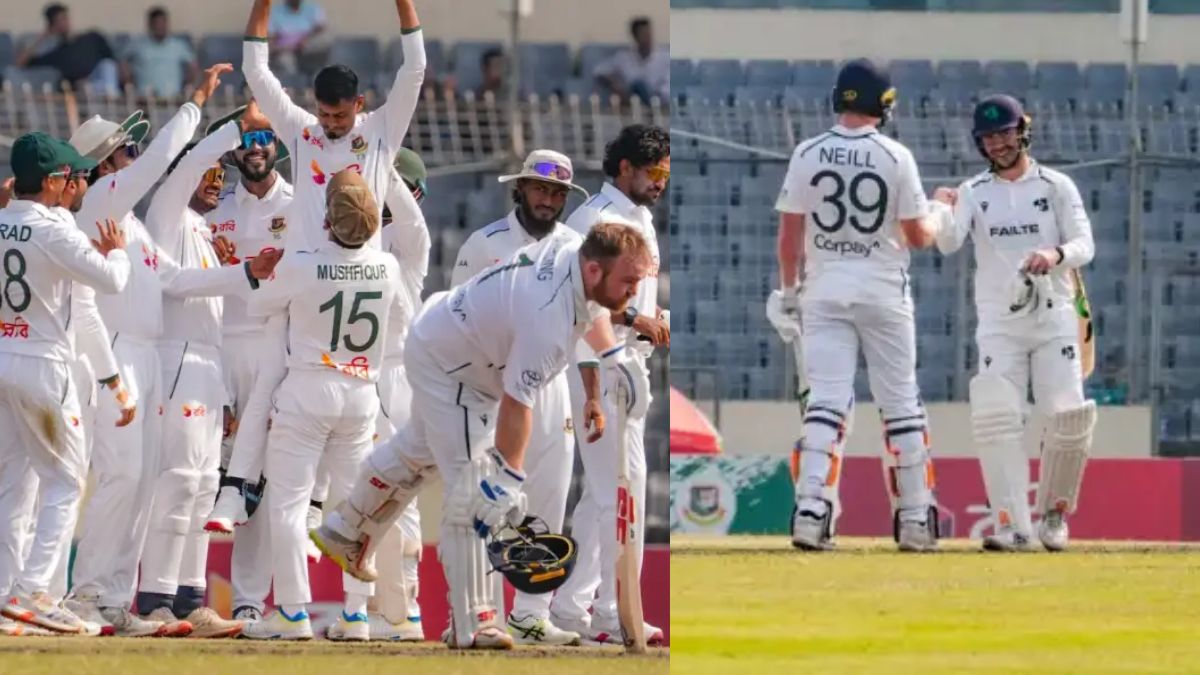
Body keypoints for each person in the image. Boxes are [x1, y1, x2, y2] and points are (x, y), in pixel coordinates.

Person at [311, 221, 652, 650]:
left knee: (419, 452)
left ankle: (346, 528)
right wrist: (507, 479)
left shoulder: (574, 247)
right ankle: (475, 622)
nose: (633, 295)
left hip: (449, 339)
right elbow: (517, 405)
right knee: (474, 496)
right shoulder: (546, 319)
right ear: (594, 272)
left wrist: (613, 355)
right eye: (629, 282)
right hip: (453, 367)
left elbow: (597, 311)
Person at [63, 64, 236, 637]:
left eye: (134, 145)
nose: (136, 154)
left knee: (138, 479)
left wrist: (250, 277)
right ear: (106, 162)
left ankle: (114, 598)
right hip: (112, 351)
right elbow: (166, 158)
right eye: (127, 147)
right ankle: (88, 594)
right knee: (119, 477)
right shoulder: (101, 203)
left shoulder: (129, 224)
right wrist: (197, 106)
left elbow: (177, 280)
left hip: (143, 353)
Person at [768, 59, 942, 553]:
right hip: (884, 292)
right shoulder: (895, 156)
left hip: (824, 292)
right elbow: (916, 235)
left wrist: (788, 293)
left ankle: (810, 511)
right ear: (883, 104)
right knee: (901, 404)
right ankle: (913, 520)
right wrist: (939, 215)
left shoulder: (807, 152)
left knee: (826, 403)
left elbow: (789, 237)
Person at [131, 101, 282, 638]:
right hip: (178, 359)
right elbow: (173, 283)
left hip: (208, 361)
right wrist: (235, 126)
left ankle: (191, 598)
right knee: (178, 481)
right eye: (209, 173)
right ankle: (153, 600)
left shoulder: (199, 226)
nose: (217, 182)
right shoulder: (167, 215)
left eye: (223, 175)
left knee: (203, 484)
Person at [240, 171, 404, 641]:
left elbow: (259, 305)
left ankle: (292, 612)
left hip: (310, 388)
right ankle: (355, 615)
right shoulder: (387, 268)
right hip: (361, 395)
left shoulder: (303, 264)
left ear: (329, 222)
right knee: (358, 508)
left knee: (289, 505)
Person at [930, 95, 1096, 553]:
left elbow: (1085, 243)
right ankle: (1012, 526)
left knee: (1065, 414)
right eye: (988, 137)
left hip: (1054, 316)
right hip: (1000, 323)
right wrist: (941, 207)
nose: (998, 144)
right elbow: (946, 243)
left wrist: (1055, 255)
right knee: (996, 415)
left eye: (1005, 133)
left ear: (1023, 129)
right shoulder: (973, 192)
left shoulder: (1056, 186)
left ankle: (1055, 516)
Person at [451, 150, 588, 646]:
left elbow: (590, 323)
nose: (548, 200)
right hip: (492, 386)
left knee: (550, 493)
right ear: (521, 189)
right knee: (486, 500)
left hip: (553, 384)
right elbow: (456, 316)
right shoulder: (483, 243)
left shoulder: (578, 247)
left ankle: (531, 613)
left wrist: (590, 391)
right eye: (540, 190)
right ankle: (478, 611)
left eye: (557, 194)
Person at [0, 132, 129, 634]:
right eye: (71, 176)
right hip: (43, 366)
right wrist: (117, 252)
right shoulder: (56, 232)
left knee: (13, 485)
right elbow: (111, 281)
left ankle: (8, 592)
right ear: (51, 182)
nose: (78, 183)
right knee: (65, 481)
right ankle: (34, 591)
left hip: (6, 355)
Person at [547, 125, 668, 646]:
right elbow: (580, 299)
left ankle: (576, 606)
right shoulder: (594, 219)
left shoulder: (638, 216)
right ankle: (616, 611)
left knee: (602, 493)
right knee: (623, 490)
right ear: (624, 168)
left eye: (665, 173)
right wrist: (635, 320)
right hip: (596, 361)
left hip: (627, 361)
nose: (661, 182)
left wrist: (649, 317)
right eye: (654, 172)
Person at [327, 148, 430, 642]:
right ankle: (384, 613)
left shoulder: (404, 246)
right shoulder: (359, 240)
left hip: (384, 377)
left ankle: (384, 613)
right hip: (366, 377)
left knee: (380, 493)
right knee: (366, 493)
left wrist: (378, 162)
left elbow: (409, 217)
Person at [201, 106, 295, 626]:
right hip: (218, 349)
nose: (254, 147)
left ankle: (247, 601)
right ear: (232, 149)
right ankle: (182, 589)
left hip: (274, 350)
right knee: (205, 473)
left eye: (264, 137)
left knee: (261, 480)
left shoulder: (301, 205)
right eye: (245, 139)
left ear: (276, 144)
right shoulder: (215, 208)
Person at [243, 0, 424, 256]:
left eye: (340, 115)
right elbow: (255, 70)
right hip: (308, 273)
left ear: (358, 103)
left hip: (362, 269)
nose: (330, 123)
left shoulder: (381, 129)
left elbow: (415, 69)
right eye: (324, 114)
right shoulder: (301, 131)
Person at [16, 3, 119, 93]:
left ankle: (111, 99)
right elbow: (20, 63)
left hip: (99, 78)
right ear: (52, 25)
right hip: (81, 87)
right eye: (59, 21)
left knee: (108, 66)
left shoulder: (91, 37)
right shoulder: (56, 52)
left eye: (65, 18)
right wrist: (44, 36)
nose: (64, 23)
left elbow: (111, 57)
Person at [120, 7, 200, 97]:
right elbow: (123, 63)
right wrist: (129, 85)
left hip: (173, 98)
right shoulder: (137, 45)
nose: (160, 27)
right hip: (143, 98)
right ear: (150, 25)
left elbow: (193, 66)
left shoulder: (178, 46)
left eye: (163, 23)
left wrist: (189, 86)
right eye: (157, 23)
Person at [593, 17, 669, 103]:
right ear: (635, 37)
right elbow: (599, 71)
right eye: (643, 35)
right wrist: (614, 85)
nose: (648, 38)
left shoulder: (665, 57)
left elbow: (667, 89)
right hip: (630, 103)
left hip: (657, 104)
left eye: (649, 34)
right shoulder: (624, 57)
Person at [268, 0, 330, 76]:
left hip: (308, 47)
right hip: (286, 50)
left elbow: (321, 28)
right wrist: (285, 47)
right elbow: (271, 37)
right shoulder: (275, 11)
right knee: (286, 63)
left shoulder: (312, 8)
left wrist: (306, 39)